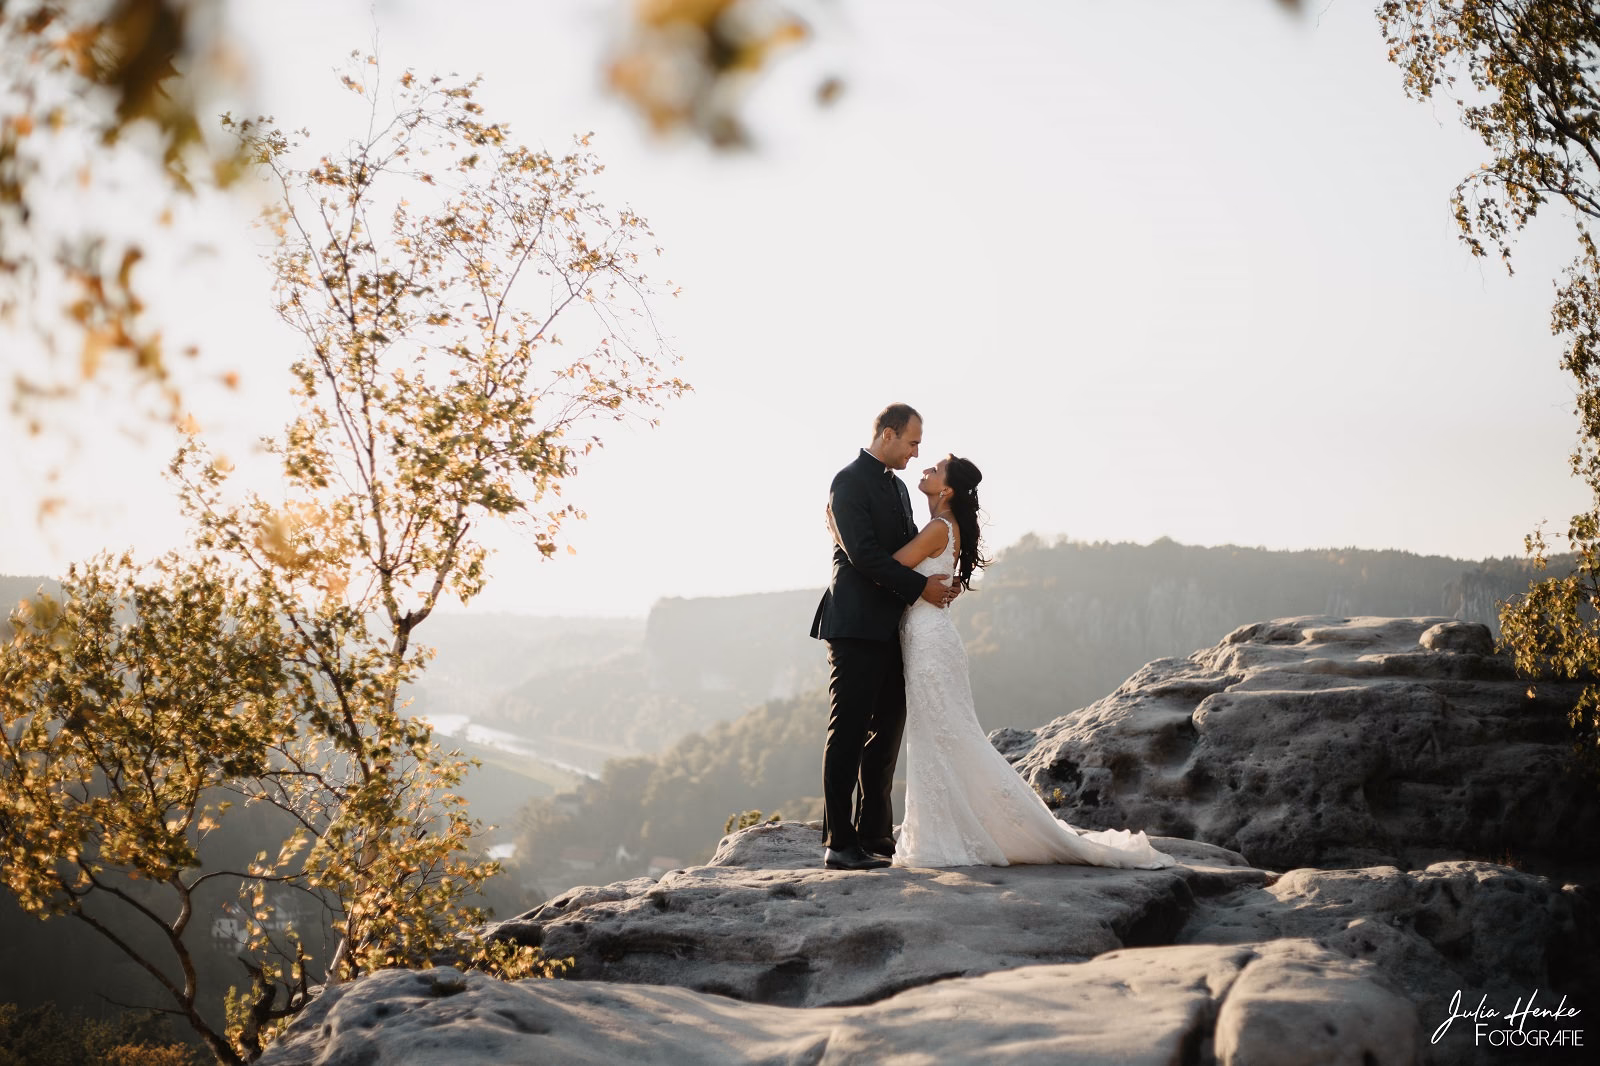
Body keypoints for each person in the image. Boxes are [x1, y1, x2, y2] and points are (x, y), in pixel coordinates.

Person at [888, 454, 1175, 870]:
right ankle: (947, 831)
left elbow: (892, 566)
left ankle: (948, 837)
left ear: (947, 490)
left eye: (936, 469)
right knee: (940, 735)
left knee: (941, 735)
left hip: (930, 642)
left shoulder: (938, 527)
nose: (926, 470)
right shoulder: (946, 526)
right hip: (932, 636)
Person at [810, 403, 954, 871]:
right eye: (912, 443)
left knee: (886, 734)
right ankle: (839, 843)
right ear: (888, 434)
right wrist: (921, 588)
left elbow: (902, 549)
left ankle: (876, 837)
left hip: (893, 626)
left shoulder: (895, 488)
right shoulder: (848, 482)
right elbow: (867, 558)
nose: (916, 453)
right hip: (853, 625)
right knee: (848, 731)